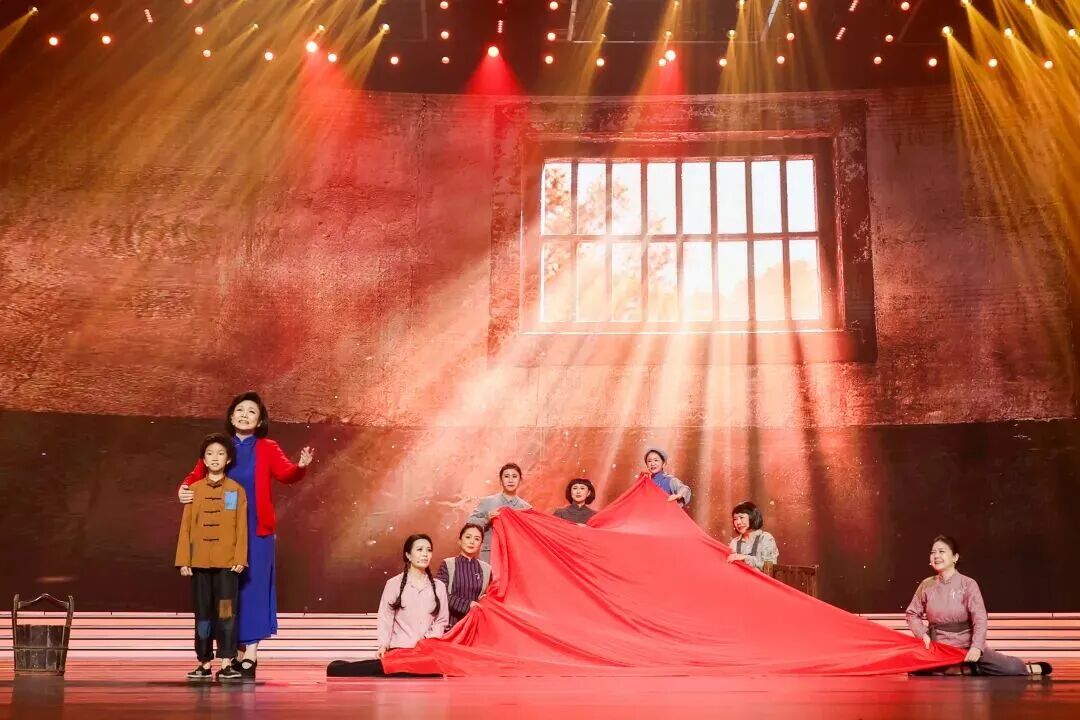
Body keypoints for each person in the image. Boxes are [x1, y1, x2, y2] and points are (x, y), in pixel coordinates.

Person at [177, 391, 314, 681]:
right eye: (240, 410)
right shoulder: (220, 447)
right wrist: (184, 488)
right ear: (231, 416)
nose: (245, 415)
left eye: (252, 411)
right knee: (227, 593)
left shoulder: (267, 447)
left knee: (252, 589)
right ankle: (229, 654)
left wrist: (301, 467)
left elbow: (286, 474)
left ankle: (250, 652)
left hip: (257, 529)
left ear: (260, 420)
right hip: (222, 532)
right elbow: (195, 475)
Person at [906, 535, 1052, 677]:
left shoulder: (968, 584)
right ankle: (963, 669)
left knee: (1011, 667)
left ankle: (1028, 667)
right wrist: (922, 634)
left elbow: (980, 617)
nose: (936, 556)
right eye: (933, 552)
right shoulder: (926, 585)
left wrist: (976, 647)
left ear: (955, 557)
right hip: (938, 647)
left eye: (941, 551)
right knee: (912, 664)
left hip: (965, 645)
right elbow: (912, 614)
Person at [175, 434, 248, 682]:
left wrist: (240, 557)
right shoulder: (194, 491)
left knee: (226, 614)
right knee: (203, 614)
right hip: (199, 564)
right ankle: (204, 662)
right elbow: (186, 527)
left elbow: (241, 528)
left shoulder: (235, 491)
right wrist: (184, 560)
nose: (215, 458)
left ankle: (227, 662)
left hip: (227, 566)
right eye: (210, 454)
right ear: (204, 460)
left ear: (228, 460)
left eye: (220, 453)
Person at [327, 534, 449, 677]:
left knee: (431, 671)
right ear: (408, 555)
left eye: (428, 550)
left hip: (426, 650)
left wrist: (428, 639)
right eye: (420, 549)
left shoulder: (439, 586)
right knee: (397, 669)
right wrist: (383, 645)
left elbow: (441, 620)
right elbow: (385, 617)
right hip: (400, 648)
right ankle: (339, 668)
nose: (425, 554)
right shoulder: (393, 584)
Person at [467, 463, 532, 563]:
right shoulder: (487, 502)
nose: (510, 480)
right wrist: (486, 519)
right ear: (501, 480)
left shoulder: (526, 508)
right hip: (490, 555)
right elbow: (470, 523)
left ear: (520, 480)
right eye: (506, 476)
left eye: (514, 476)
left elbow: (529, 536)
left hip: (516, 557)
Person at [435, 524, 491, 628]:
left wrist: (486, 599)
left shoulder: (486, 569)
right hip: (451, 625)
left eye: (477, 539)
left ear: (481, 544)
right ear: (460, 541)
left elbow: (490, 596)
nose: (472, 542)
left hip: (475, 625)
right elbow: (440, 594)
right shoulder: (448, 564)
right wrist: (468, 605)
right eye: (468, 537)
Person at [726, 501, 779, 571]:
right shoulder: (734, 542)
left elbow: (770, 568)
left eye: (741, 517)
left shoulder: (765, 538)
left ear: (752, 517)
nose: (738, 522)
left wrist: (745, 558)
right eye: (735, 519)